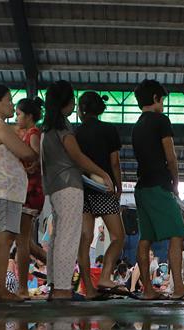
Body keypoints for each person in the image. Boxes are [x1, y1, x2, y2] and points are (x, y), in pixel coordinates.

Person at [41, 81, 114, 301]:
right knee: (68, 236)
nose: (74, 103)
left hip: (53, 186)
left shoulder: (47, 127)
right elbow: (77, 156)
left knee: (58, 236)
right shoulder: (63, 126)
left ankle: (55, 284)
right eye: (72, 98)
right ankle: (63, 288)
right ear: (66, 102)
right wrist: (104, 174)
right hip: (69, 184)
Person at [131, 79, 184, 301]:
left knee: (145, 239)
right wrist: (176, 185)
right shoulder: (161, 120)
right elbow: (171, 156)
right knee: (178, 234)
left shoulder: (137, 125)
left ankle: (148, 290)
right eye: (162, 100)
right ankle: (179, 288)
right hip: (160, 186)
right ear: (155, 99)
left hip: (141, 187)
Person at [0, 84, 38, 303]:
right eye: (9, 100)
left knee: (0, 240)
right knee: (4, 240)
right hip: (4, 190)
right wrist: (30, 157)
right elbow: (26, 152)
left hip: (2, 190)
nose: (12, 104)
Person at [76, 91, 129, 298]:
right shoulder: (108, 130)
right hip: (104, 189)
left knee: (85, 239)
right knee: (118, 236)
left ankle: (87, 285)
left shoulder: (76, 133)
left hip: (83, 188)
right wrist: (118, 186)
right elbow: (114, 162)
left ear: (81, 110)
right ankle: (106, 276)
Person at [15, 97, 45, 299]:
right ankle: (57, 269)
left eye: (18, 114)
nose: (17, 118)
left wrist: (30, 166)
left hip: (30, 191)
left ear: (29, 116)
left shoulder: (34, 133)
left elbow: (37, 158)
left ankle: (23, 288)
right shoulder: (26, 133)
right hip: (27, 190)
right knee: (25, 242)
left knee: (22, 242)